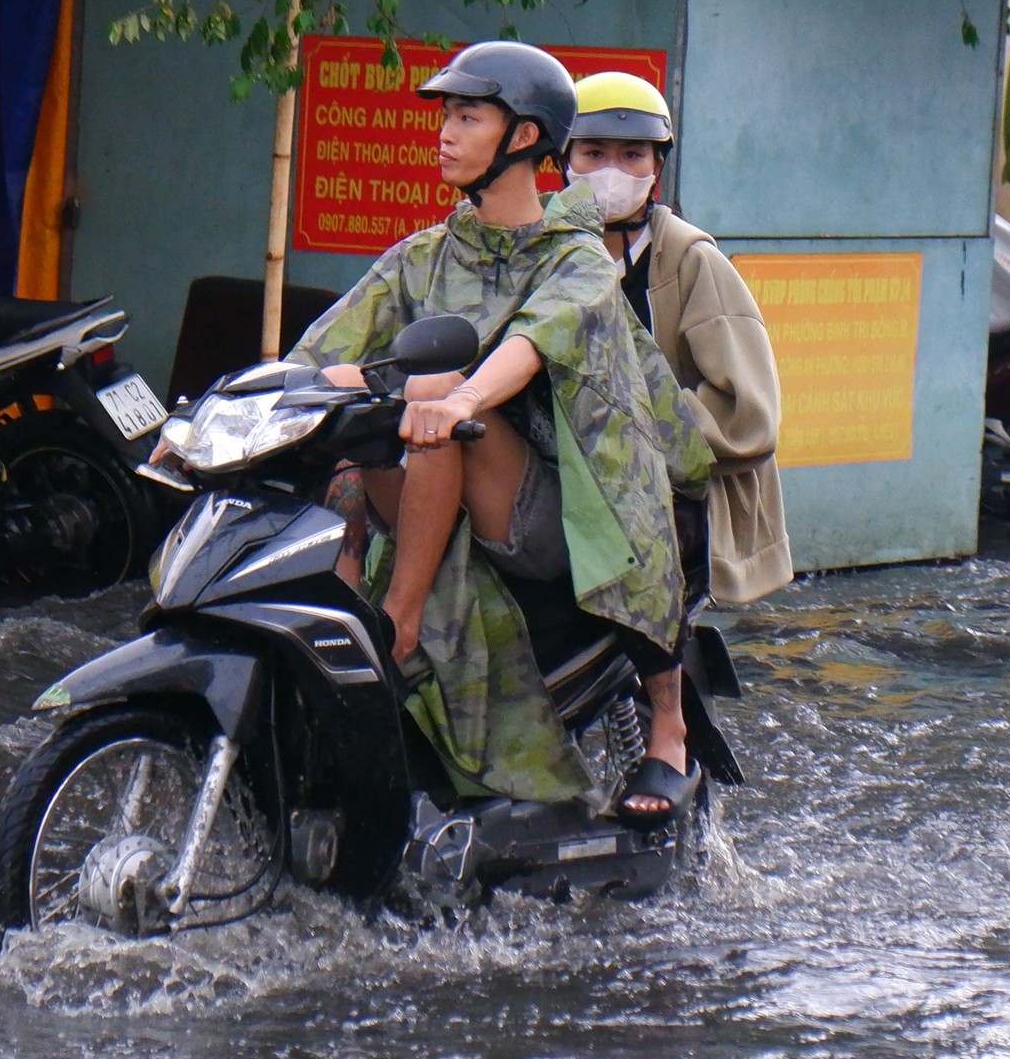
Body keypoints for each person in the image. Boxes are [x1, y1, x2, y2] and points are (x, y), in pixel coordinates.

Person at [286, 41, 714, 810]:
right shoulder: (423, 256)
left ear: (522, 137)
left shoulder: (575, 260)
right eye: (445, 115)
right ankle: (344, 632)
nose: (444, 132)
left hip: (565, 516)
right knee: (346, 397)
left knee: (436, 386)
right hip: (431, 486)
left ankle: (403, 625)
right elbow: (320, 351)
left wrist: (460, 400)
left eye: (467, 115)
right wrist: (221, 411)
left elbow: (532, 339)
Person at [567, 70, 794, 818]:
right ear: (561, 158)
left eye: (632, 155)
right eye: (593, 150)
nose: (611, 171)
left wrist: (641, 430)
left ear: (658, 166)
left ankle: (667, 731)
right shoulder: (543, 245)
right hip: (563, 478)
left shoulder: (690, 261)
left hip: (682, 491)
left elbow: (749, 411)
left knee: (639, 534)